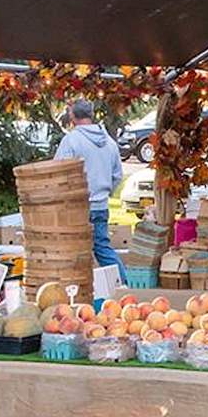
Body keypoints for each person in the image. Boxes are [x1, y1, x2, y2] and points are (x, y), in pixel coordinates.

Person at [55, 99, 126, 281]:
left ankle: (77, 288)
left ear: (72, 116)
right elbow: (118, 174)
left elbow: (60, 172)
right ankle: (122, 282)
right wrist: (105, 192)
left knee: (74, 250)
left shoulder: (71, 141)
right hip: (101, 205)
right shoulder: (108, 142)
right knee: (102, 248)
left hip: (77, 206)